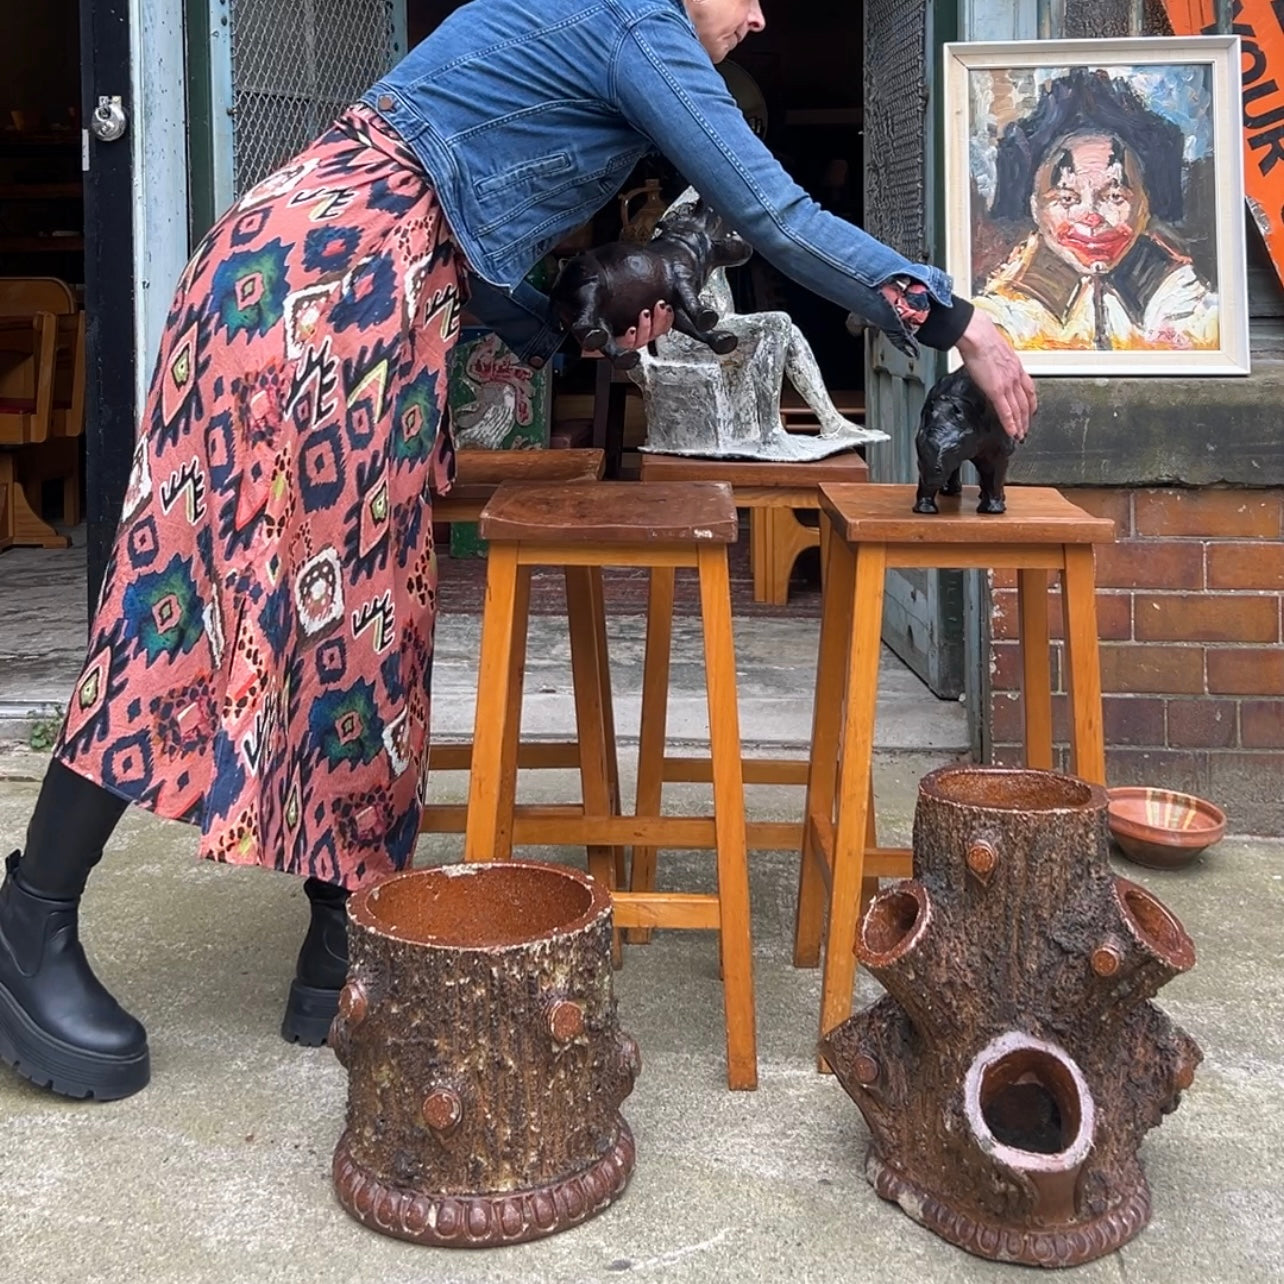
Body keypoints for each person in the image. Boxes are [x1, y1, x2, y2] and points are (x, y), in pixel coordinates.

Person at [0, 0, 1034, 1102]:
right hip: (321, 288)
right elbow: (773, 215)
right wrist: (954, 319)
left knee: (361, 620)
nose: (765, 14)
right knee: (192, 598)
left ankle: (342, 937)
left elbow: (463, 218)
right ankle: (31, 922)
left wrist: (572, 317)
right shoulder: (637, 18)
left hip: (356, 281)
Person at [972, 67, 1218, 353]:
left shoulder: (1187, 301)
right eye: (1066, 198)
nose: (1091, 217)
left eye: (1114, 196)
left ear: (1145, 204)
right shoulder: (1005, 311)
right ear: (1035, 207)